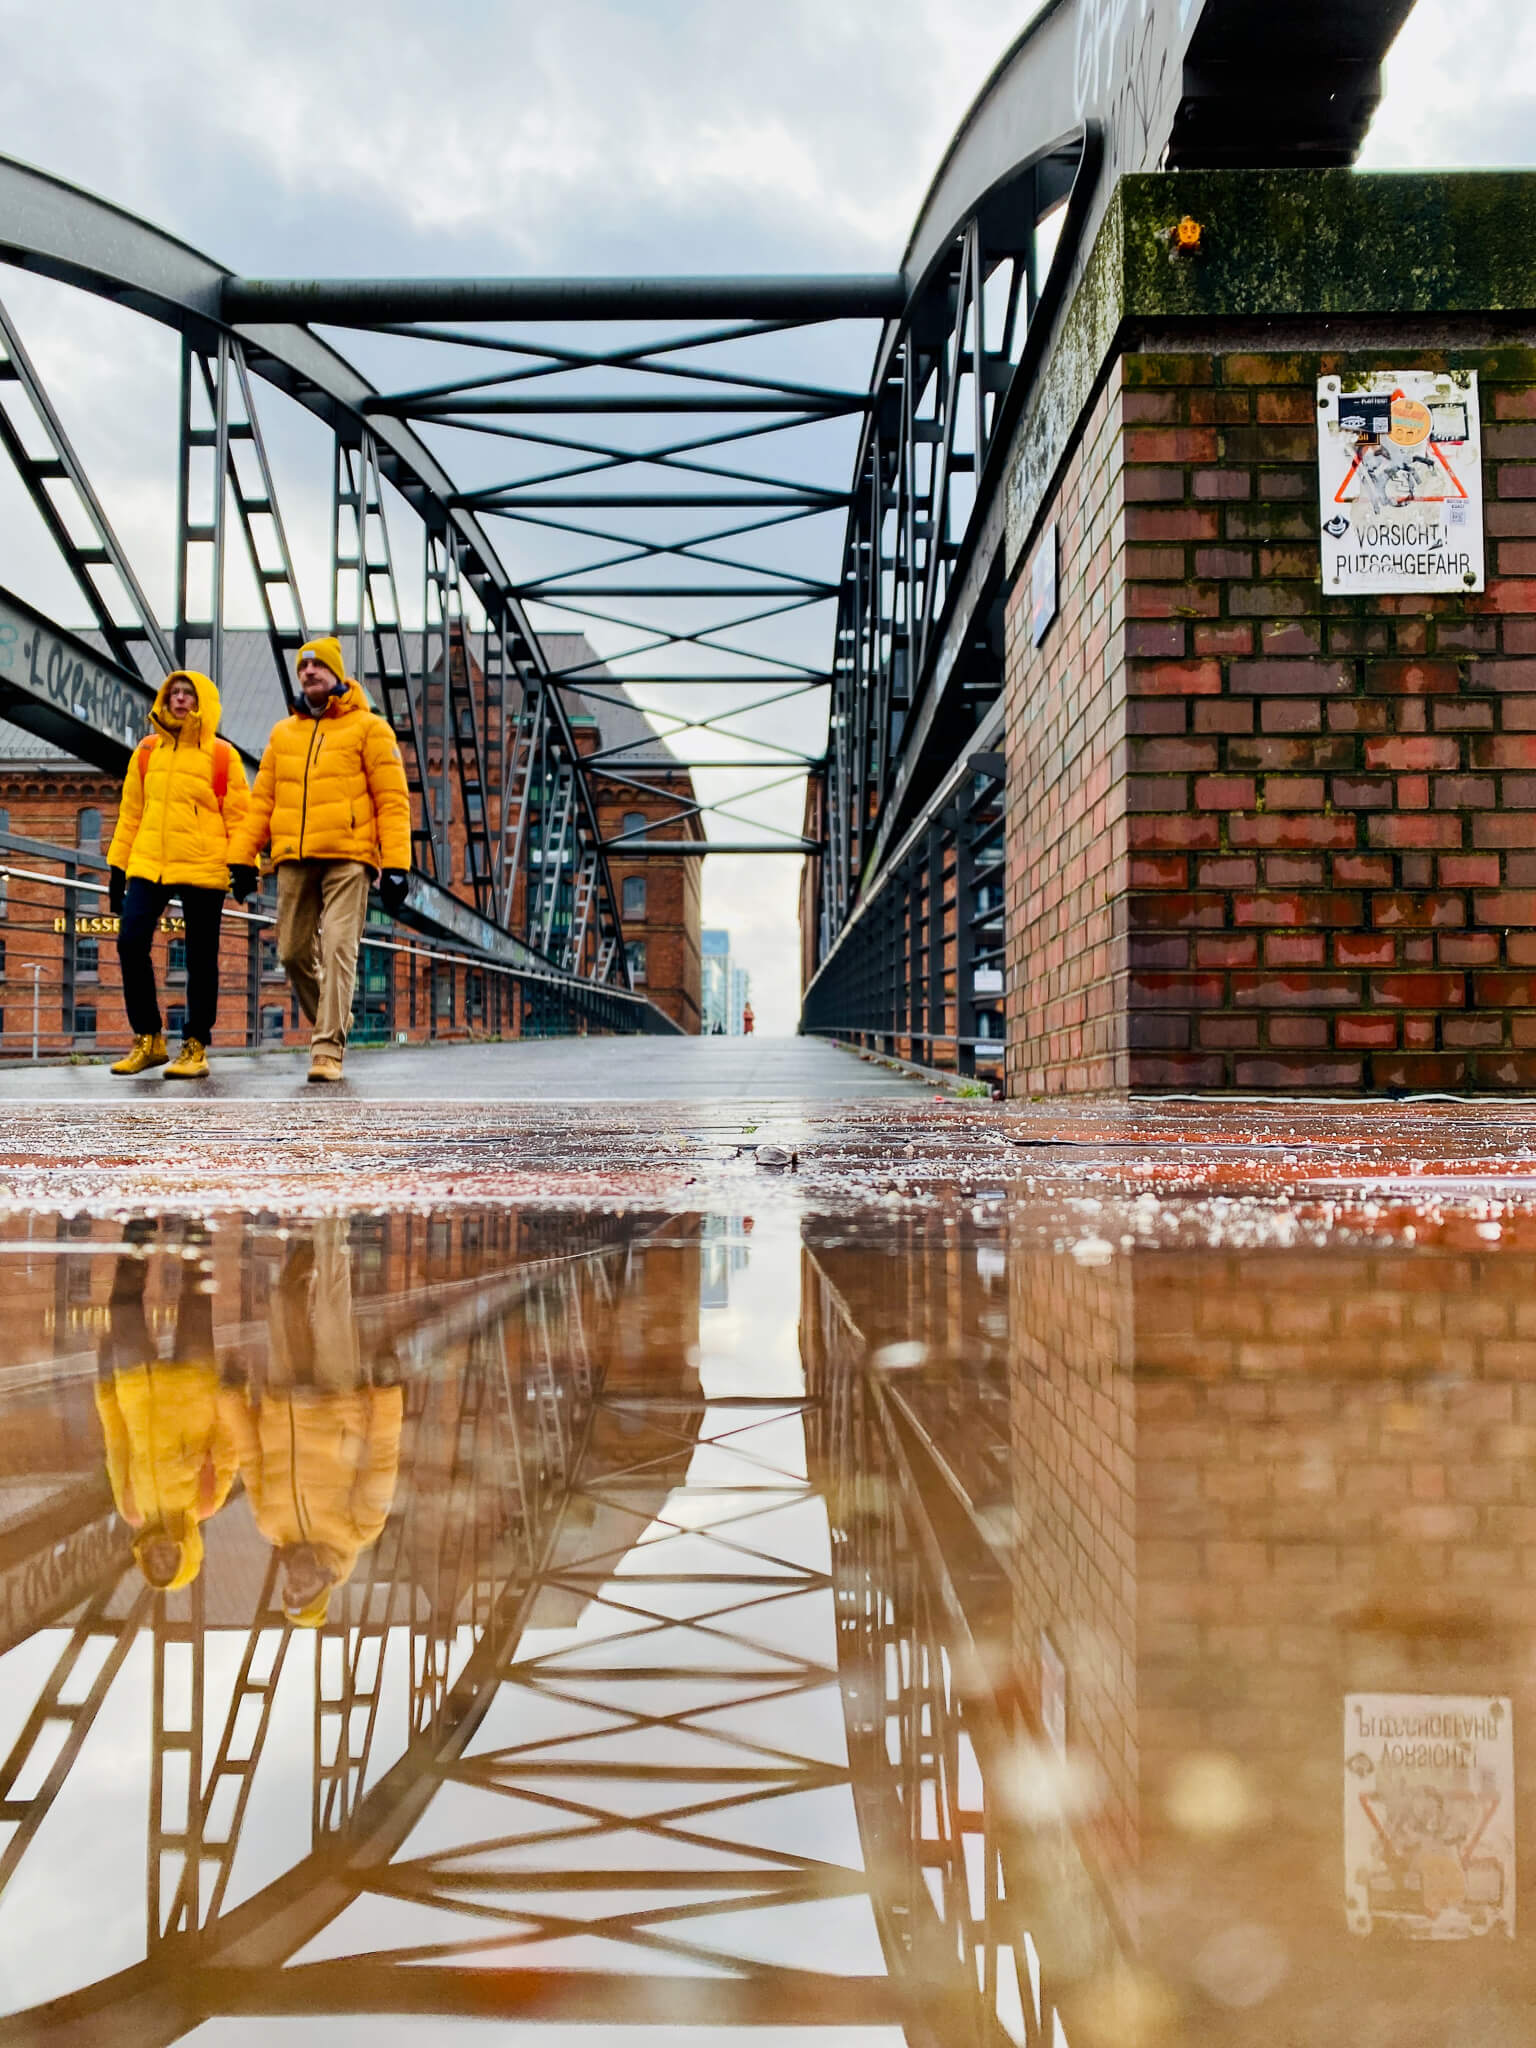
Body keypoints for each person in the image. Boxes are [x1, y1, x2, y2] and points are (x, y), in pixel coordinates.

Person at [227, 635, 411, 1084]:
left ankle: (327, 1048)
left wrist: (397, 864)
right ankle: (335, 1021)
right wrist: (241, 859)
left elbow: (392, 800)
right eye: (302, 667)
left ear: (336, 673)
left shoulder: (369, 728)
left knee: (338, 947)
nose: (308, 672)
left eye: (317, 666)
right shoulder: (282, 733)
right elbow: (262, 801)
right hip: (293, 855)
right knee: (290, 951)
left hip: (349, 856)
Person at [222, 1219, 403, 1627]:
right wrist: (388, 1393)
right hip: (339, 1397)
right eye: (302, 1592)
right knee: (331, 1301)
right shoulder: (359, 1531)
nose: (294, 1583)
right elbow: (382, 1461)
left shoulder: (270, 1525)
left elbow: (251, 1459)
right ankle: (330, 1217)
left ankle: (311, 1235)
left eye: (289, 1591)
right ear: (324, 1585)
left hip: (282, 1397)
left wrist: (231, 1398)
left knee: (285, 1296)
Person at [106, 669, 249, 1079]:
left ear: (202, 703)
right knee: (131, 942)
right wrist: (119, 867)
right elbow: (131, 813)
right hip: (150, 862)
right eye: (174, 693)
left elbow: (239, 816)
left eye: (188, 694)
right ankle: (148, 1038)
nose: (180, 700)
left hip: (204, 865)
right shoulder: (147, 752)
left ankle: (195, 1044)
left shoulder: (223, 755)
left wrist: (244, 865)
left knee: (201, 958)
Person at [95, 1221, 239, 1591]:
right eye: (169, 1561)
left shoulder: (130, 1510)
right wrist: (234, 1393)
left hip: (136, 1389)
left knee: (123, 1305)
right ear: (186, 1553)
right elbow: (227, 1445)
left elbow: (117, 1446)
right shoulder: (206, 1504)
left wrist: (106, 1390)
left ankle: (139, 1230)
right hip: (194, 1385)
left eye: (154, 1563)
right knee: (195, 1294)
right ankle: (194, 1224)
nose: (160, 1555)